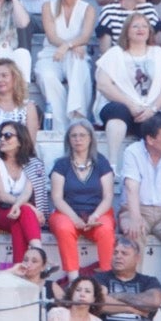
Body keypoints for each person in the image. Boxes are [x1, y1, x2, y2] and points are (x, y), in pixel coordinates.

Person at [119, 113, 161, 293]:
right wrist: (135, 217)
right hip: (136, 208)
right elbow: (131, 186)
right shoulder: (133, 151)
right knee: (133, 233)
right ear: (150, 139)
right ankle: (133, 283)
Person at [96, 13, 161, 168]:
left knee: (155, 125)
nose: (141, 29)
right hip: (120, 105)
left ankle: (153, 168)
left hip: (149, 108)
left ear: (150, 31)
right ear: (126, 30)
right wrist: (131, 105)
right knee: (118, 112)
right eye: (135, 26)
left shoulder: (158, 53)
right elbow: (103, 84)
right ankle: (112, 165)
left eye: (144, 26)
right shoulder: (115, 53)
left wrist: (152, 109)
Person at [49, 119, 116, 282]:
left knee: (106, 228)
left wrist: (95, 216)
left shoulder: (101, 162)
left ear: (90, 138)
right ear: (68, 140)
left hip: (97, 212)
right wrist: (75, 219)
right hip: (67, 213)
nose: (78, 139)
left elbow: (108, 196)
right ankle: (74, 279)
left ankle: (106, 277)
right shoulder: (61, 164)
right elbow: (57, 198)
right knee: (64, 228)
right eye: (73, 136)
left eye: (82, 135)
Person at [37, 0, 96, 123]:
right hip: (51, 54)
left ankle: (78, 117)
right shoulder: (47, 6)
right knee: (47, 77)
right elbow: (51, 36)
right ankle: (61, 124)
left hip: (73, 53)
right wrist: (69, 45)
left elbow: (85, 35)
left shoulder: (88, 9)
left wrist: (67, 46)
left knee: (79, 62)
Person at [0, 121, 47, 264]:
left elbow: (27, 192)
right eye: (0, 136)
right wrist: (30, 207)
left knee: (18, 223)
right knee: (25, 209)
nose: (2, 139)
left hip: (17, 214)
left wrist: (21, 205)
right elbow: (0, 194)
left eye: (7, 136)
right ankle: (40, 255)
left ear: (20, 140)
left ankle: (20, 268)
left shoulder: (33, 163)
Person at [94, 236, 161, 321]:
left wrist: (119, 295)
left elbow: (154, 301)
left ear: (137, 258)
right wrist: (132, 309)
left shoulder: (149, 281)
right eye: (115, 253)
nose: (118, 256)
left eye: (124, 253)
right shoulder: (100, 277)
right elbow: (99, 302)